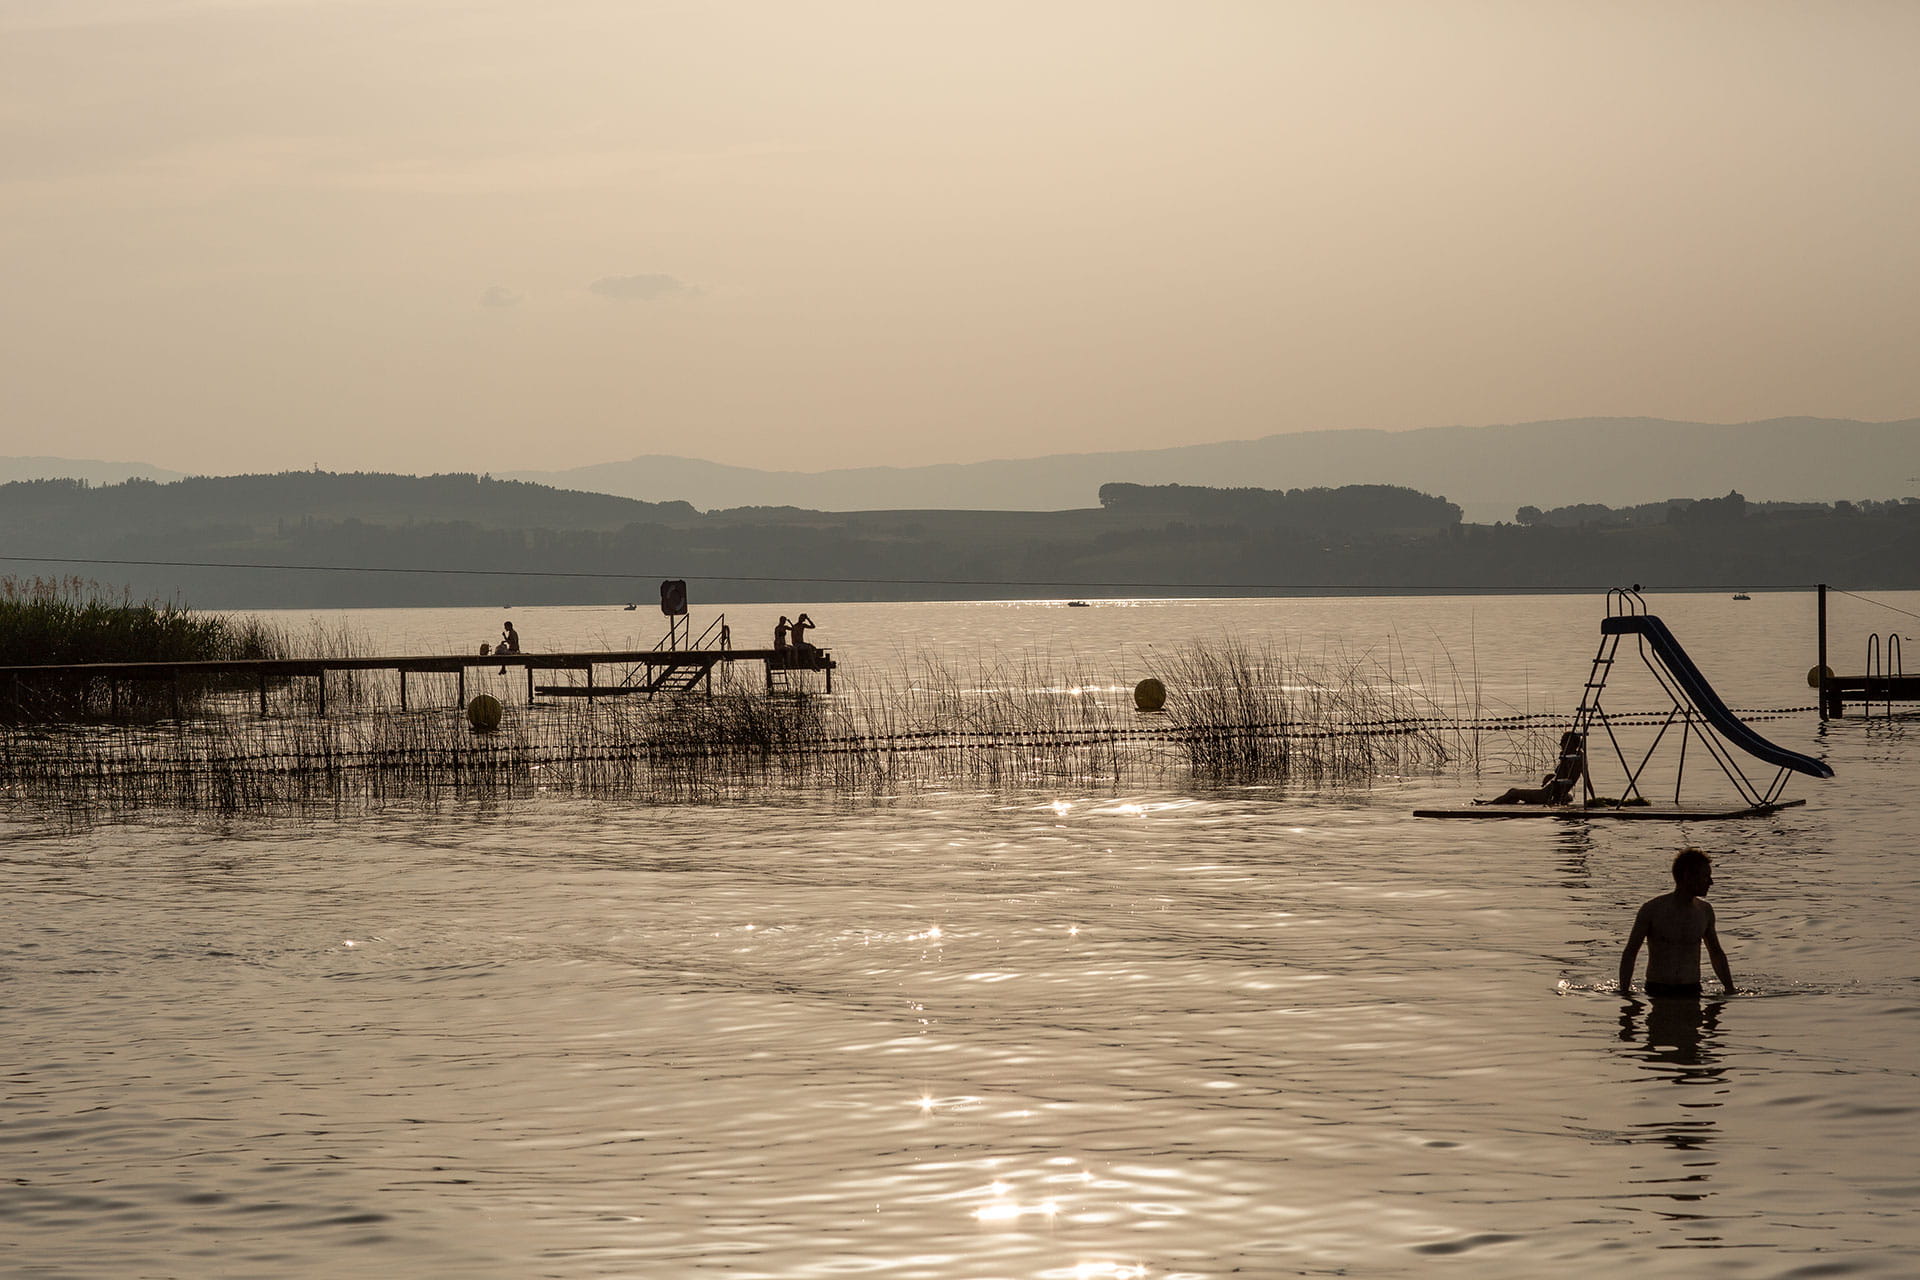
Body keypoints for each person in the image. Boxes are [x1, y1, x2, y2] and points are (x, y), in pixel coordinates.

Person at [1619, 848, 1735, 999]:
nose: (1711, 882)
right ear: (1688, 876)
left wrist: (1729, 989)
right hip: (1657, 991)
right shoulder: (1652, 910)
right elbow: (1630, 952)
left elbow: (1716, 953)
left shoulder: (1705, 911)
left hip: (1692, 990)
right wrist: (1625, 995)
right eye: (1705, 876)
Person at [1478, 729, 1585, 805]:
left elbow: (1565, 779)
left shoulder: (1570, 759)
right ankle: (1494, 802)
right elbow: (1567, 777)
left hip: (1545, 795)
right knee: (1514, 794)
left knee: (1513, 791)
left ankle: (1489, 804)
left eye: (1563, 741)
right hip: (1550, 792)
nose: (1560, 743)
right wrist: (1550, 777)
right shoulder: (1575, 757)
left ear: (1569, 743)